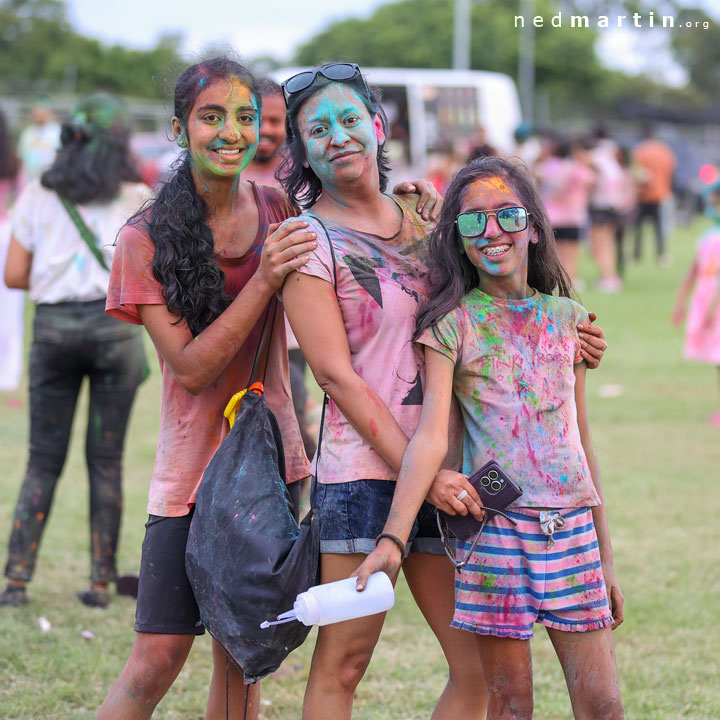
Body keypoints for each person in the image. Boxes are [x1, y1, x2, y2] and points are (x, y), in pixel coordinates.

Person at [96, 57, 435, 720]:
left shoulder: (279, 208)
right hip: (191, 477)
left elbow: (354, 230)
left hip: (274, 466)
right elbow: (191, 369)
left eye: (245, 117)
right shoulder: (141, 240)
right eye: (211, 116)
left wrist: (411, 212)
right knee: (158, 657)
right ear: (178, 128)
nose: (231, 131)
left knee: (241, 656)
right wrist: (261, 279)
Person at [278, 62, 609, 720]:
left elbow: (497, 313)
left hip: (463, 476)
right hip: (364, 475)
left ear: (378, 125)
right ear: (304, 149)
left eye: (350, 119)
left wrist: (573, 347)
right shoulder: (307, 240)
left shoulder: (431, 222)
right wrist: (418, 474)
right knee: (343, 664)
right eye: (318, 129)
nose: (338, 136)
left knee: (477, 671)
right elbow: (335, 376)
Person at [355, 156, 625, 719]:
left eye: (507, 214)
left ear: (533, 225)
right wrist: (393, 539)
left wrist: (606, 560)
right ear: (458, 238)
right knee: (510, 704)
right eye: (473, 221)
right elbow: (429, 438)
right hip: (495, 538)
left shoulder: (570, 319)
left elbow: (581, 443)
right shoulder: (452, 323)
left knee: (602, 705)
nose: (493, 232)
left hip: (572, 532)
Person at [0, 94, 152, 608]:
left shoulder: (39, 196)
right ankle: (101, 581)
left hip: (54, 332)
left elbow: (14, 275)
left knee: (43, 460)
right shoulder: (138, 196)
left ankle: (18, 579)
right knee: (106, 461)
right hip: (115, 333)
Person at [672, 181, 720, 427]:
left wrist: (713, 308)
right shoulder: (708, 236)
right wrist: (681, 300)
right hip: (707, 298)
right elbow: (694, 270)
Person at [534, 135, 595, 286]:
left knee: (556, 253)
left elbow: (535, 178)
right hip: (573, 216)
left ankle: (559, 281)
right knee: (572, 252)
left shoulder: (547, 167)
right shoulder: (575, 168)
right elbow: (591, 180)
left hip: (551, 217)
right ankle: (572, 279)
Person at [0, 106, 24, 392]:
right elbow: (22, 202)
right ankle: (9, 373)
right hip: (6, 233)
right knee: (10, 308)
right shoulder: (13, 162)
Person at [633, 125, 676, 267]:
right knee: (659, 228)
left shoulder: (640, 150)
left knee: (638, 228)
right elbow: (672, 170)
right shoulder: (665, 150)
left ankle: (637, 254)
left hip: (642, 195)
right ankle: (661, 254)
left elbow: (636, 172)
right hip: (661, 194)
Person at [17, 98, 60, 184]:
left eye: (42, 113)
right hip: (29, 181)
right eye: (37, 113)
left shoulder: (57, 132)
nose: (39, 115)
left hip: (50, 181)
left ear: (49, 113)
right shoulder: (28, 133)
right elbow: (20, 157)